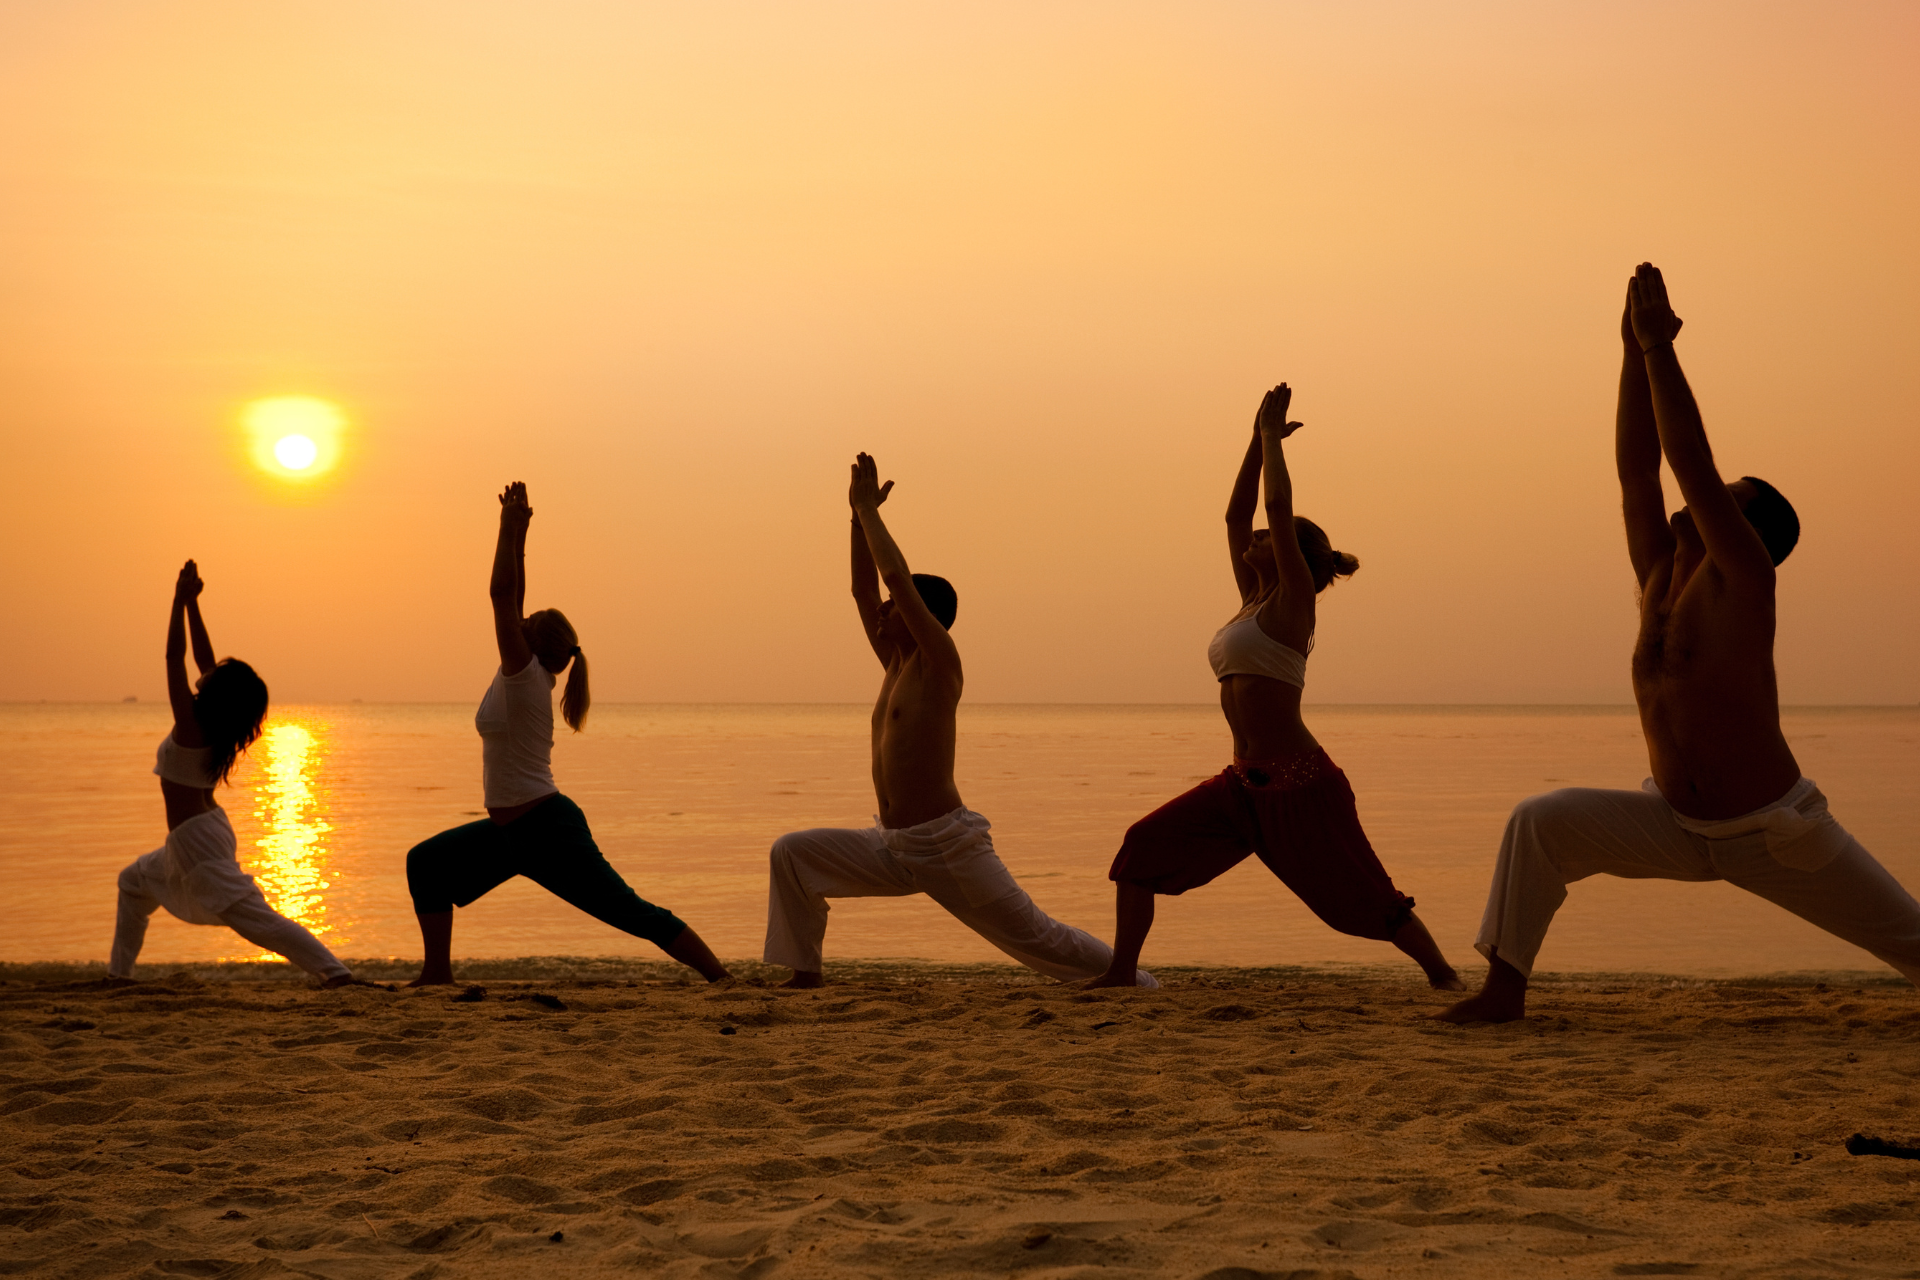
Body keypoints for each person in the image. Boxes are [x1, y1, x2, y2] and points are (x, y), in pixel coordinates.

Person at [1438, 264, 1920, 1022]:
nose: (1707, 499)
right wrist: (1631, 351)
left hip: (1775, 832)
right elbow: (1638, 471)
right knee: (1541, 821)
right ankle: (1503, 994)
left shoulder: (1744, 577)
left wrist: (1663, 350)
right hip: (1674, 823)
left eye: (1729, 500)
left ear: (1747, 531)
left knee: (1916, 945)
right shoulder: (1661, 574)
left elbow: (1689, 464)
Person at [1086, 384, 1460, 989]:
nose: (1255, 536)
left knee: (1362, 899)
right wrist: (1253, 441)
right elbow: (1236, 516)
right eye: (1256, 538)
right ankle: (1122, 972)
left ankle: (1443, 975)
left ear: (1293, 557)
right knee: (1142, 849)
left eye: (1268, 538)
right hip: (1240, 787)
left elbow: (1277, 512)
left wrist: (1272, 442)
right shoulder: (1249, 600)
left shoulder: (1292, 602)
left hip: (1301, 787)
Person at [763, 453, 1155, 989]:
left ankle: (1133, 980)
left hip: (945, 844)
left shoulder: (938, 663)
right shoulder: (895, 665)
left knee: (1038, 937)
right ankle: (806, 974)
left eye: (894, 607)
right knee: (793, 853)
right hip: (892, 845)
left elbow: (895, 577)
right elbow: (864, 590)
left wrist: (870, 512)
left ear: (922, 616)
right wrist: (856, 520)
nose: (881, 611)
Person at [403, 482, 730, 986]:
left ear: (533, 641)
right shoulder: (524, 674)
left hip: (546, 831)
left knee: (628, 910)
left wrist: (506, 527)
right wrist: (522, 533)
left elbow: (500, 595)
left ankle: (721, 977)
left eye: (526, 622)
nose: (520, 618)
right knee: (427, 863)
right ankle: (436, 975)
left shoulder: (524, 678)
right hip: (513, 833)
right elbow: (514, 598)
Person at [110, 560, 360, 986]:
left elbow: (176, 657)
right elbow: (204, 662)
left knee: (256, 920)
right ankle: (118, 977)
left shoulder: (192, 726)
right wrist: (192, 605)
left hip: (198, 841)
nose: (204, 676)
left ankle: (336, 974)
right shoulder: (214, 728)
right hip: (195, 834)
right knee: (133, 884)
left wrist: (176, 601)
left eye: (213, 678)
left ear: (218, 695)